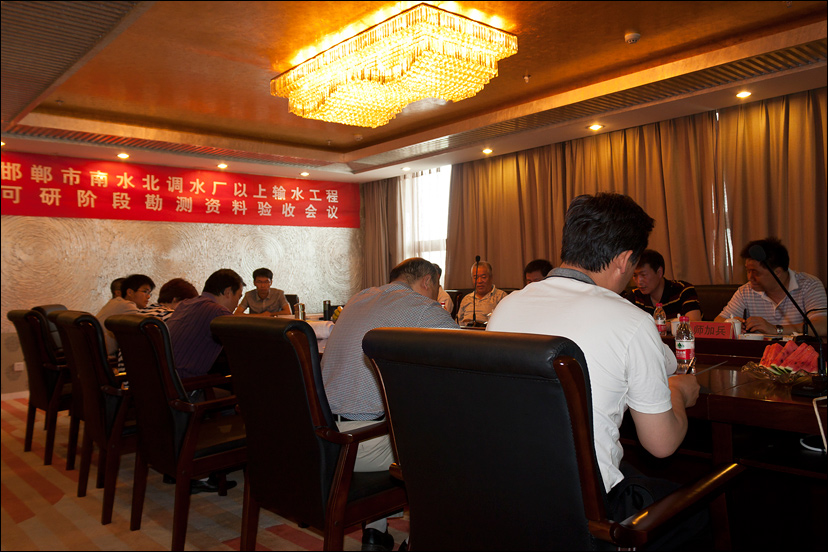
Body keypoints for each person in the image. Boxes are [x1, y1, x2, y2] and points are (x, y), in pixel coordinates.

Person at [487, 193, 703, 548]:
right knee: (699, 508)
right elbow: (661, 445)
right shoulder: (630, 321)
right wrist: (678, 391)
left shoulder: (507, 305)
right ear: (623, 260)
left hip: (509, 495)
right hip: (585, 514)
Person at [321, 257, 458, 551]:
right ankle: (420, 539)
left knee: (389, 413)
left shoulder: (358, 298)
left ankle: (376, 532)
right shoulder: (423, 308)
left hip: (321, 435)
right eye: (437, 289)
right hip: (359, 445)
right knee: (451, 445)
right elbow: (468, 355)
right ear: (427, 281)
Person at [715, 237, 827, 337]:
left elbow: (823, 326)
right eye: (748, 271)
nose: (750, 277)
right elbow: (718, 321)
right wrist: (731, 324)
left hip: (799, 352)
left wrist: (775, 329)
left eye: (755, 272)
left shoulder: (809, 285)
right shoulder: (746, 291)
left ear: (777, 272)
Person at [166, 269, 245, 380]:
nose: (237, 305)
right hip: (185, 385)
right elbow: (244, 347)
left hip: (161, 381)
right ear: (228, 292)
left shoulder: (185, 304)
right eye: (239, 297)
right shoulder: (219, 313)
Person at [623, 249, 702, 321]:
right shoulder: (635, 296)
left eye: (643, 275)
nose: (639, 281)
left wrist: (665, 326)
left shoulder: (683, 290)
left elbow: (694, 323)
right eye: (635, 275)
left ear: (659, 272)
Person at [96, 274, 155, 356]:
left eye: (149, 293)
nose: (148, 296)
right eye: (145, 291)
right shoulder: (127, 306)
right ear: (130, 292)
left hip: (96, 355)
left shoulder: (115, 302)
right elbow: (147, 328)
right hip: (107, 357)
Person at [455, 261, 507, 326]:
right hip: (467, 331)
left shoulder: (501, 297)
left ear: (491, 278)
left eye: (483, 277)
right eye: (475, 278)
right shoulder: (466, 299)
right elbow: (458, 323)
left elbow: (505, 322)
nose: (479, 281)